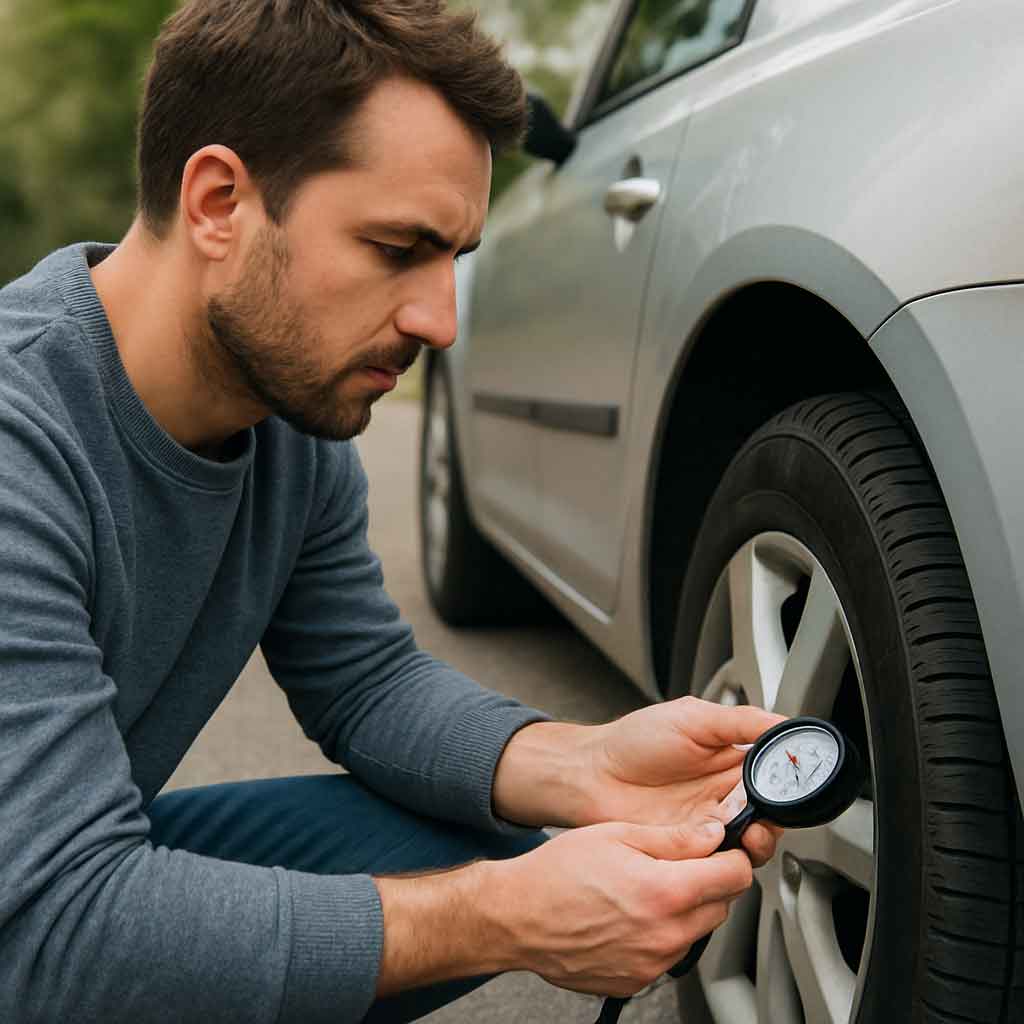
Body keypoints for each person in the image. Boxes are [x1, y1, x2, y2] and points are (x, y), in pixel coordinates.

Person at [0, 1, 784, 1021]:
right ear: (219, 201)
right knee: (483, 895)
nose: (439, 322)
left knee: (472, 843)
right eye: (397, 247)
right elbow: (50, 928)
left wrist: (582, 763)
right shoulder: (23, 433)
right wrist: (507, 918)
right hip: (32, 913)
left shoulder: (283, 410)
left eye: (450, 260)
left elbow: (363, 683)